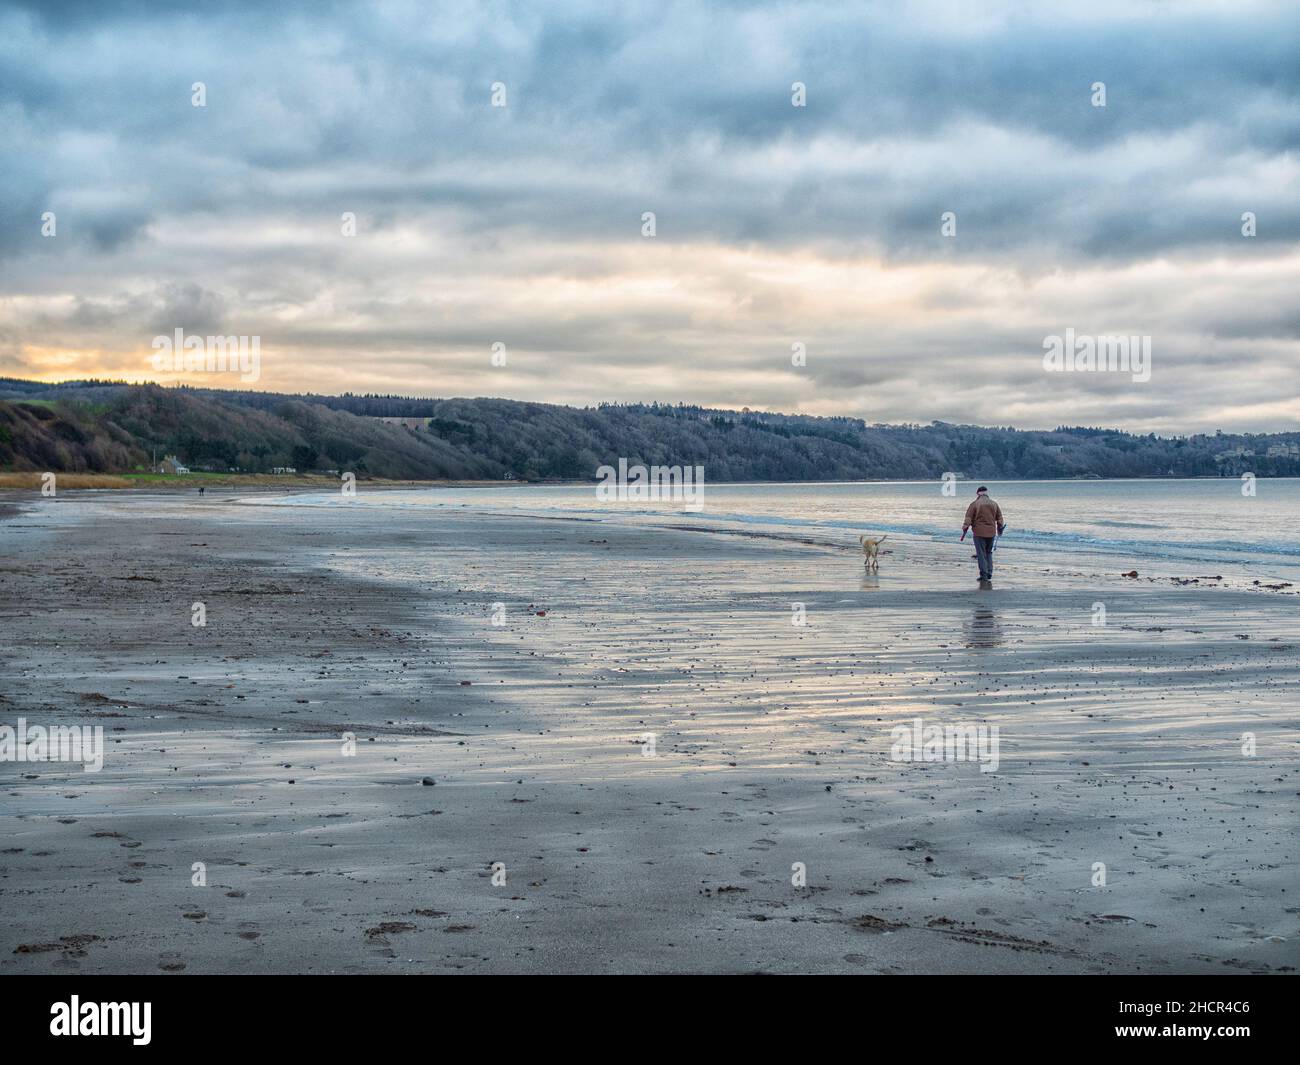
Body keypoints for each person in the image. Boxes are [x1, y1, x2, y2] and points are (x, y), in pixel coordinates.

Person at [961, 486, 1005, 584]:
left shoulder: (975, 504)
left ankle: (984, 575)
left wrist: (965, 527)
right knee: (989, 553)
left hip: (979, 532)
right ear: (986, 493)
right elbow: (1000, 518)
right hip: (991, 532)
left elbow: (968, 518)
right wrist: (1000, 529)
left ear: (978, 493)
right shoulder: (994, 504)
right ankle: (989, 572)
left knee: (981, 554)